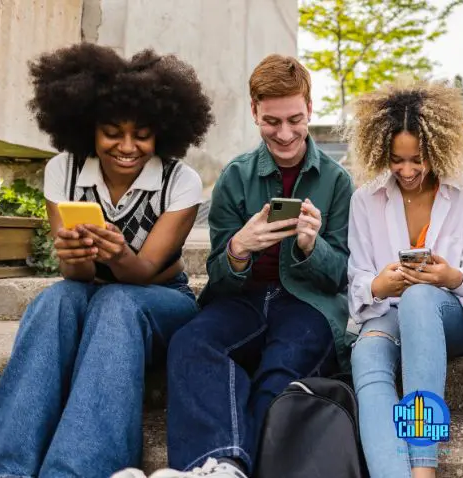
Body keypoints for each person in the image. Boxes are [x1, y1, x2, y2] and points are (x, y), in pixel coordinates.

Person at [115, 54, 354, 478]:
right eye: (271, 121)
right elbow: (220, 278)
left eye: (295, 120)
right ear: (254, 112)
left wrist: (309, 246)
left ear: (310, 109)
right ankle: (219, 466)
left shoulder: (337, 181)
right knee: (190, 343)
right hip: (243, 301)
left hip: (309, 306)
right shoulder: (235, 176)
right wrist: (239, 249)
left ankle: (229, 464)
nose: (285, 134)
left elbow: (339, 277)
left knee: (279, 371)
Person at [0, 43, 212, 478]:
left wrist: (119, 253)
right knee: (56, 299)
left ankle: (79, 469)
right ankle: (7, 466)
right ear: (88, 129)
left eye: (142, 134)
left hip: (160, 299)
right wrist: (75, 257)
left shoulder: (180, 181)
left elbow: (144, 271)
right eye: (112, 132)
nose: (127, 146)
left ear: (162, 133)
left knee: (118, 301)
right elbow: (75, 275)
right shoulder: (65, 169)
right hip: (88, 291)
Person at [344, 79, 463, 478]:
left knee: (418, 299)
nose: (408, 170)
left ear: (437, 149)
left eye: (418, 159)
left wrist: (450, 276)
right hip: (388, 314)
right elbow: (358, 279)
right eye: (397, 160)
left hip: (450, 317)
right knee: (366, 353)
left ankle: (423, 466)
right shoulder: (365, 199)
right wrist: (379, 285)